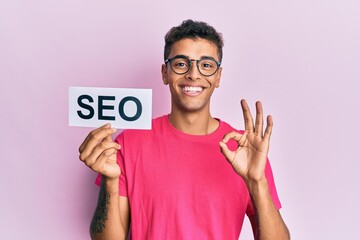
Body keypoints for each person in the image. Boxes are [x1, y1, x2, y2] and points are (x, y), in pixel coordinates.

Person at [79, 19, 290, 240]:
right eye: (181, 64)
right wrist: (110, 181)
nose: (193, 74)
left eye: (206, 65)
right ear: (165, 72)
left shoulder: (245, 151)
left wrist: (257, 182)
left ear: (218, 77)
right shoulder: (128, 143)